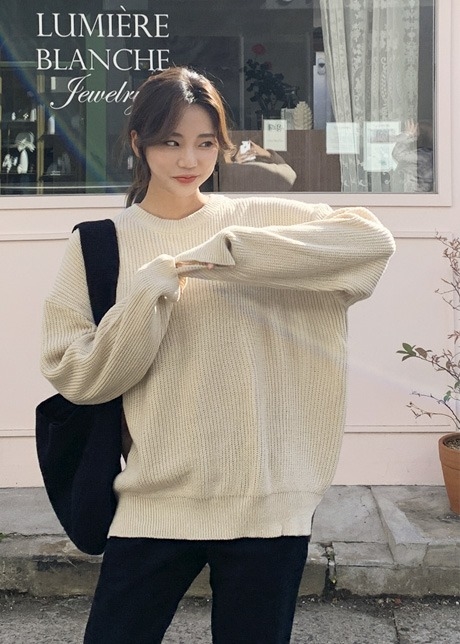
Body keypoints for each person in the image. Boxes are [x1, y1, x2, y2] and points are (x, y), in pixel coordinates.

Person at [40, 67, 395, 643]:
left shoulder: (255, 219)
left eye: (206, 143)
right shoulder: (100, 244)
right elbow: (76, 375)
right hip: (155, 500)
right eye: (171, 142)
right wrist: (150, 292)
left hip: (266, 502)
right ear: (138, 142)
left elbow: (372, 241)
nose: (190, 160)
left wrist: (229, 251)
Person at [392, 119, 434, 192]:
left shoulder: (424, 156)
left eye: (417, 132)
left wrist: (408, 135)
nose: (415, 135)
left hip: (414, 196)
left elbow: (398, 154)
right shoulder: (426, 155)